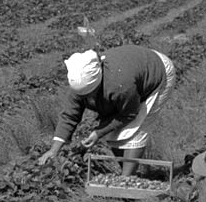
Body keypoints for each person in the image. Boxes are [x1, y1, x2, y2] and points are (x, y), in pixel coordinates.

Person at [37, 44, 176, 176]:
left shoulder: (120, 86)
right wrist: (54, 150)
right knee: (114, 132)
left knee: (135, 130)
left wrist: (98, 133)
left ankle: (126, 182)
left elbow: (129, 114)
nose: (88, 98)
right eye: (84, 96)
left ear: (99, 83)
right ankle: (128, 176)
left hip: (157, 74)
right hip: (134, 71)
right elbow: (69, 116)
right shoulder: (79, 83)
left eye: (91, 94)